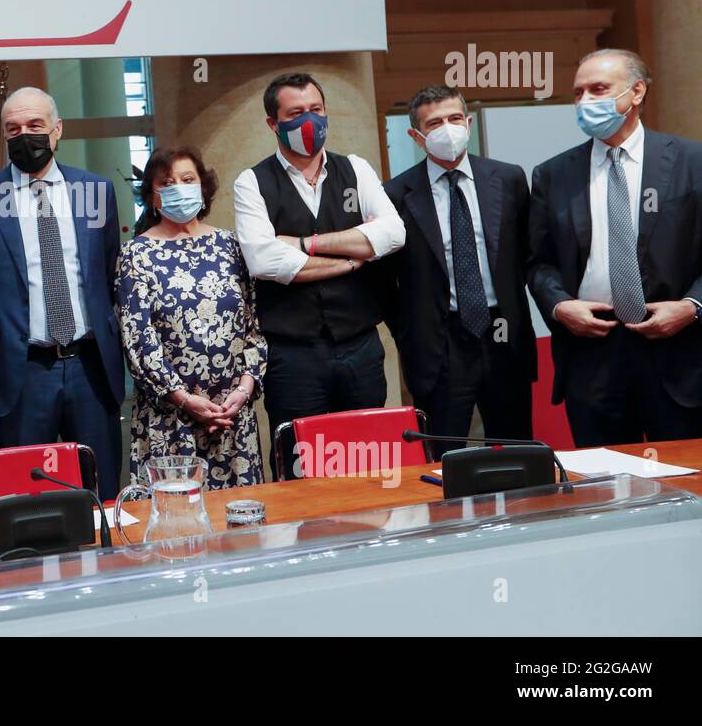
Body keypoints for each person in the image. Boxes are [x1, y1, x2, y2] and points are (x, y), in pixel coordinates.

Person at [0, 86, 127, 498]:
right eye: (13, 129)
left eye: (35, 125)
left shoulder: (96, 192)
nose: (24, 135)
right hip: (21, 373)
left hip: (91, 368)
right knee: (27, 499)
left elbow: (110, 273)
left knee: (101, 491)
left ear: (57, 130)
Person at [528, 49, 702, 446]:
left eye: (598, 89)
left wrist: (692, 307)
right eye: (578, 93)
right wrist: (558, 306)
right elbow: (539, 262)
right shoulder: (553, 175)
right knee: (604, 488)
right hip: (592, 350)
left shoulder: (693, 162)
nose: (586, 101)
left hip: (677, 349)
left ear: (636, 91)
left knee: (688, 483)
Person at [233, 73, 406, 471]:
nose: (309, 121)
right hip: (293, 357)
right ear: (273, 124)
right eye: (295, 113)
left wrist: (305, 243)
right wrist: (350, 257)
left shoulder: (355, 169)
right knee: (302, 466)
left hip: (360, 346)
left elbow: (392, 234)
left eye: (316, 110)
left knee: (369, 463)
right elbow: (264, 261)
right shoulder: (253, 182)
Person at [380, 85, 537, 459]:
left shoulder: (509, 179)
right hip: (441, 341)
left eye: (454, 119)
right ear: (416, 136)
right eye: (434, 123)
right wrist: (409, 331)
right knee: (444, 456)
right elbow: (384, 282)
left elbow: (529, 254)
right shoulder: (394, 194)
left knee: (517, 451)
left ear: (467, 123)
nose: (447, 129)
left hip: (502, 334)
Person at [116, 148, 267, 489]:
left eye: (188, 180)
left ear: (203, 188)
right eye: (166, 183)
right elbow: (139, 340)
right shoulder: (136, 254)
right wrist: (185, 399)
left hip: (233, 417)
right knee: (178, 529)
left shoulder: (231, 246)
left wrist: (242, 391)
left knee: (242, 528)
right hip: (170, 421)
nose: (179, 188)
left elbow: (254, 329)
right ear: (153, 197)